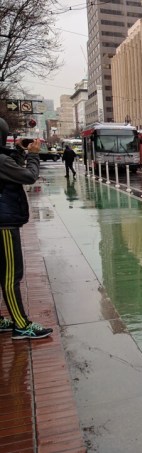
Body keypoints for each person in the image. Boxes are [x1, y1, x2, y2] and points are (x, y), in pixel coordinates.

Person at [0, 118, 54, 339]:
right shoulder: (1, 160)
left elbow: (11, 170)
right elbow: (28, 177)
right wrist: (33, 155)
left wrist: (19, 152)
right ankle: (21, 325)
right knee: (12, 275)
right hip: (4, 224)